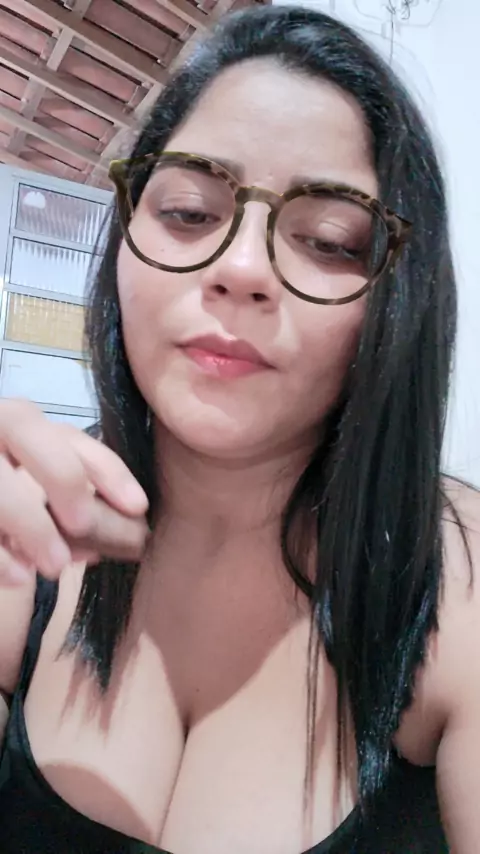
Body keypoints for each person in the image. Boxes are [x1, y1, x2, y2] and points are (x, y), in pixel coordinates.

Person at [0, 5, 478, 852]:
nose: (242, 267)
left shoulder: (463, 586)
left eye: (329, 241)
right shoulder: (28, 538)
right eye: (189, 211)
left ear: (397, 301)